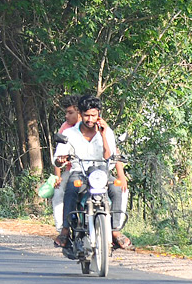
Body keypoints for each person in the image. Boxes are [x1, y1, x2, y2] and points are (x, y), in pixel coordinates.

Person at [54, 95, 131, 251]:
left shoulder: (107, 132)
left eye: (93, 115)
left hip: (101, 174)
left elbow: (108, 156)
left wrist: (103, 134)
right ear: (81, 114)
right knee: (71, 190)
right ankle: (65, 230)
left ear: (99, 115)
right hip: (79, 172)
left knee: (117, 189)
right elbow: (57, 159)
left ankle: (115, 230)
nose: (90, 119)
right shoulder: (70, 133)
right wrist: (61, 160)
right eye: (87, 115)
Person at [49, 96, 81, 231]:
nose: (66, 116)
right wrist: (58, 176)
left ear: (80, 113)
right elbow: (59, 154)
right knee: (58, 191)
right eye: (66, 113)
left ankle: (112, 227)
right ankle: (61, 228)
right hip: (71, 170)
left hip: (93, 170)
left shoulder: (97, 126)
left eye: (70, 113)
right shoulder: (65, 128)